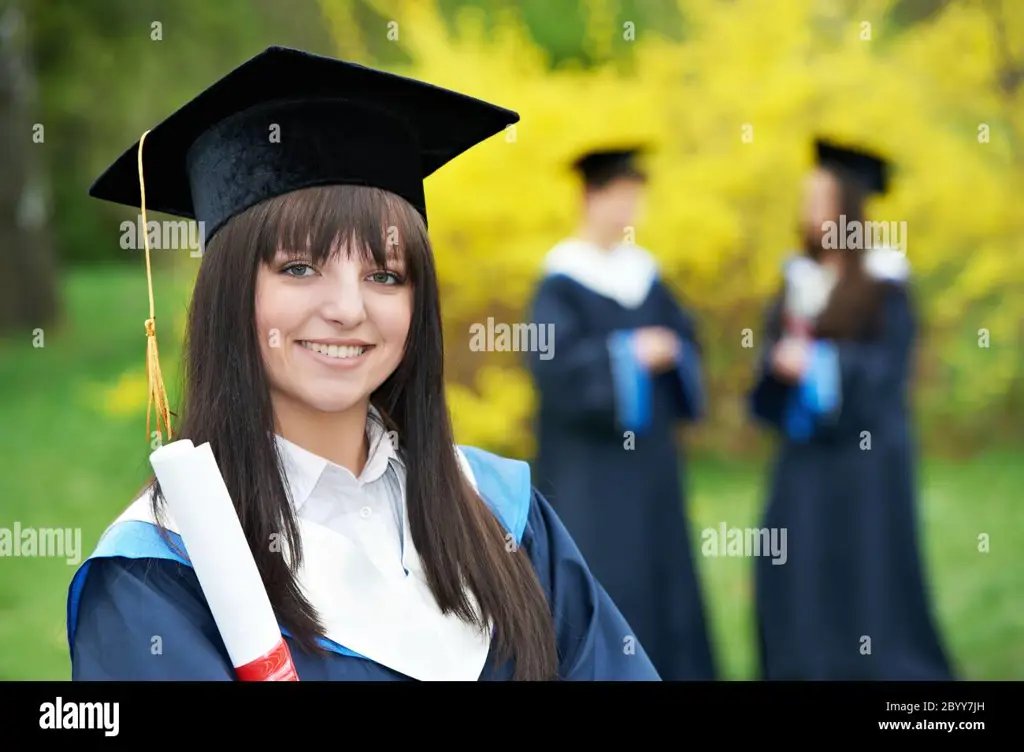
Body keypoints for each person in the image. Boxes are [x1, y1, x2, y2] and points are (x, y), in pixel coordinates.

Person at [65, 46, 661, 682]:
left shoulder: (503, 516)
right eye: (299, 268)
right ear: (229, 295)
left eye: (385, 274)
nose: (349, 310)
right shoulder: (158, 575)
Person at [748, 138, 955, 680]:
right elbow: (769, 366)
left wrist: (817, 365)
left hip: (867, 462)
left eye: (821, 199)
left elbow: (886, 375)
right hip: (804, 458)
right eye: (806, 199)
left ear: (849, 208)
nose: (810, 211)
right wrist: (779, 365)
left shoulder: (886, 282)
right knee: (792, 567)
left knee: (865, 576)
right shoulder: (798, 279)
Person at [525, 147, 717, 680]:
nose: (631, 210)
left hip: (652, 464)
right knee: (607, 572)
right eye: (620, 196)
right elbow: (555, 370)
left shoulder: (645, 274)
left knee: (663, 572)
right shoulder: (561, 280)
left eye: (637, 197)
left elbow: (686, 342)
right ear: (591, 198)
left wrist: (672, 349)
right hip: (591, 471)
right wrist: (630, 355)